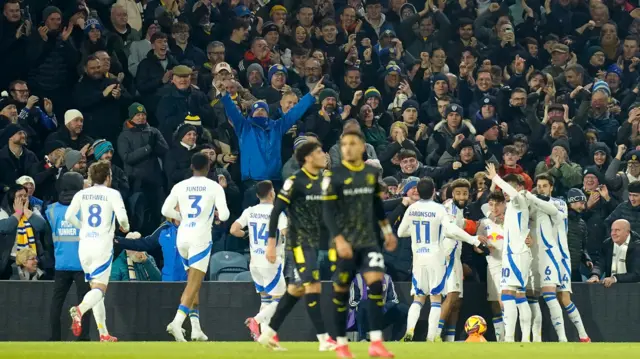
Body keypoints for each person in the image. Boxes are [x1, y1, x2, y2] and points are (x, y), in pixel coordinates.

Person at [323, 129, 397, 358]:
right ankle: (341, 344)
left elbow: (376, 206)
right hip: (345, 242)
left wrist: (387, 232)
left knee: (376, 286)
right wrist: (338, 239)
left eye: (353, 144)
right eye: (344, 144)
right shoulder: (333, 176)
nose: (348, 148)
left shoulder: (370, 174)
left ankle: (375, 342)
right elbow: (327, 212)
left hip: (369, 241)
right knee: (342, 291)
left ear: (362, 147)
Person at [257, 142, 336, 352]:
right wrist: (271, 244)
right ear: (309, 158)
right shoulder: (294, 182)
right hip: (299, 242)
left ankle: (268, 333)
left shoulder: (324, 180)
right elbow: (276, 212)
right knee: (313, 284)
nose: (324, 155)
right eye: (319, 152)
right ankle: (324, 339)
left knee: (295, 290)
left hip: (316, 241)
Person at [397, 177, 485, 342]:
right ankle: (432, 337)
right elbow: (451, 229)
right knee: (436, 298)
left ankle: (409, 331)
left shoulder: (412, 208)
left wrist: (417, 235)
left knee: (418, 298)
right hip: (436, 256)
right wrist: (473, 240)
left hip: (418, 258)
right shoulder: (439, 209)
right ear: (433, 191)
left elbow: (401, 232)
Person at [161, 152, 230, 342]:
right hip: (200, 238)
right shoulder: (214, 186)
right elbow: (224, 216)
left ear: (191, 167)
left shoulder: (180, 186)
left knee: (193, 283)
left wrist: (183, 217)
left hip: (182, 237)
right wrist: (215, 213)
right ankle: (176, 322)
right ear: (208, 168)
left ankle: (196, 328)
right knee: (194, 283)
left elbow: (165, 210)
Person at [66, 161, 130, 342]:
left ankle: (103, 333)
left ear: (91, 177)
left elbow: (69, 216)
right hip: (102, 245)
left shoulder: (81, 194)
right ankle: (80, 310)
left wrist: (83, 228)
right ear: (108, 177)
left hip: (85, 245)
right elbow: (123, 218)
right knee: (100, 289)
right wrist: (125, 227)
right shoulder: (112, 194)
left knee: (95, 288)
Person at [229, 181, 288, 339]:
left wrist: (247, 235)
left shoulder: (250, 211)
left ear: (257, 195)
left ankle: (263, 335)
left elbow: (234, 229)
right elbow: (285, 232)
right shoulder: (277, 212)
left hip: (254, 262)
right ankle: (256, 320)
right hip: (270, 260)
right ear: (272, 193)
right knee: (282, 298)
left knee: (266, 298)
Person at [484, 163, 532, 343]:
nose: (506, 191)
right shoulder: (512, 205)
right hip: (512, 254)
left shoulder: (520, 199)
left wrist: (495, 178)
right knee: (517, 295)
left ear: (520, 187)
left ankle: (512, 338)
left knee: (508, 293)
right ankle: (522, 338)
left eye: (510, 186)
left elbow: (512, 194)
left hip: (518, 254)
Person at [45, 172, 91, 341]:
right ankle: (83, 338)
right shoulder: (86, 208)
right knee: (84, 303)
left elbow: (48, 240)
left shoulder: (51, 210)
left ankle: (54, 338)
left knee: (56, 303)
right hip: (82, 264)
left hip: (61, 264)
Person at [527, 174, 567, 342]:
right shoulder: (531, 204)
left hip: (550, 255)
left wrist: (530, 197)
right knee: (531, 297)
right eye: (539, 185)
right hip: (532, 256)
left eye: (545, 185)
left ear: (551, 187)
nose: (541, 188)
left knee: (550, 296)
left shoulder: (559, 203)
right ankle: (536, 339)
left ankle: (562, 338)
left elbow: (557, 214)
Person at [550, 190, 591, 342]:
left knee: (563, 298)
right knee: (554, 298)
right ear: (571, 202)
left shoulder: (581, 223)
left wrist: (585, 257)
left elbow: (582, 245)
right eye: (580, 202)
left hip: (571, 266)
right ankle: (569, 337)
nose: (583, 205)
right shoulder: (559, 218)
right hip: (557, 263)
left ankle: (581, 335)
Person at [477, 191, 506, 341]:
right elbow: (477, 246)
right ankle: (500, 337)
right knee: (495, 303)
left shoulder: (510, 220)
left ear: (504, 204)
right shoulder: (484, 223)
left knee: (506, 301)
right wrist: (482, 243)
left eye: (498, 204)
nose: (494, 207)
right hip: (492, 264)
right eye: (491, 204)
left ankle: (510, 336)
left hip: (509, 264)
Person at [587, 219, 640, 285]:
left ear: (627, 232)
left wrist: (615, 278)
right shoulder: (607, 243)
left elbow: (636, 274)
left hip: (633, 289)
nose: (613, 233)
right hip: (610, 288)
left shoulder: (637, 247)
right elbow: (600, 263)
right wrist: (595, 275)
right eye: (612, 230)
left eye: (617, 230)